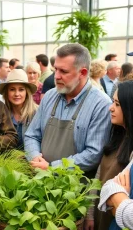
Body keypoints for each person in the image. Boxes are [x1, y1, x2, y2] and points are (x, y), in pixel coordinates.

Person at [24, 43, 111, 177]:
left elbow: (93, 154)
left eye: (63, 71)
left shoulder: (100, 104)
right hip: (40, 182)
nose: (56, 76)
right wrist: (35, 157)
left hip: (75, 190)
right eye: (55, 70)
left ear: (82, 73)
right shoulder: (49, 96)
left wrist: (52, 168)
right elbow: (31, 135)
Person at [85, 81, 133, 230]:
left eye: (117, 104)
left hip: (117, 224)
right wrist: (90, 214)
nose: (111, 107)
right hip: (102, 212)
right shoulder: (117, 137)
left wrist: (113, 192)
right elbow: (99, 178)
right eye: (113, 101)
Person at [0, 69, 38, 149]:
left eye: (21, 89)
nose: (17, 94)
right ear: (7, 92)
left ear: (27, 92)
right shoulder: (1, 113)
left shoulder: (37, 113)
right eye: (12, 89)